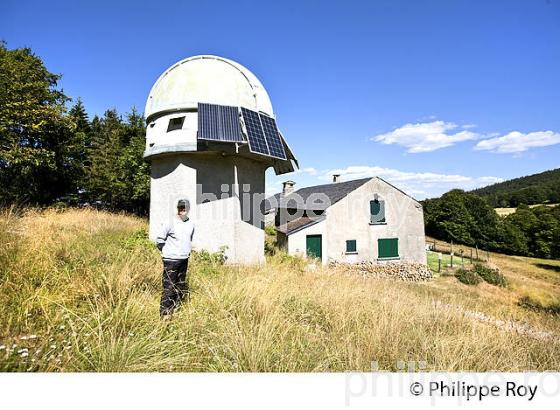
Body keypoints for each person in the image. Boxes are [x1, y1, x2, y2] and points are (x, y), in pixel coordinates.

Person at [155, 199, 195, 319]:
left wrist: (185, 252)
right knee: (169, 287)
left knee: (180, 285)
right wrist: (168, 252)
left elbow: (189, 239)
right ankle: (165, 315)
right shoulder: (169, 222)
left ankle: (176, 309)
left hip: (184, 259)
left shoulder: (191, 224)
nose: (183, 210)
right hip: (171, 260)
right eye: (181, 208)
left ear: (188, 209)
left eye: (185, 208)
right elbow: (159, 240)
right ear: (177, 208)